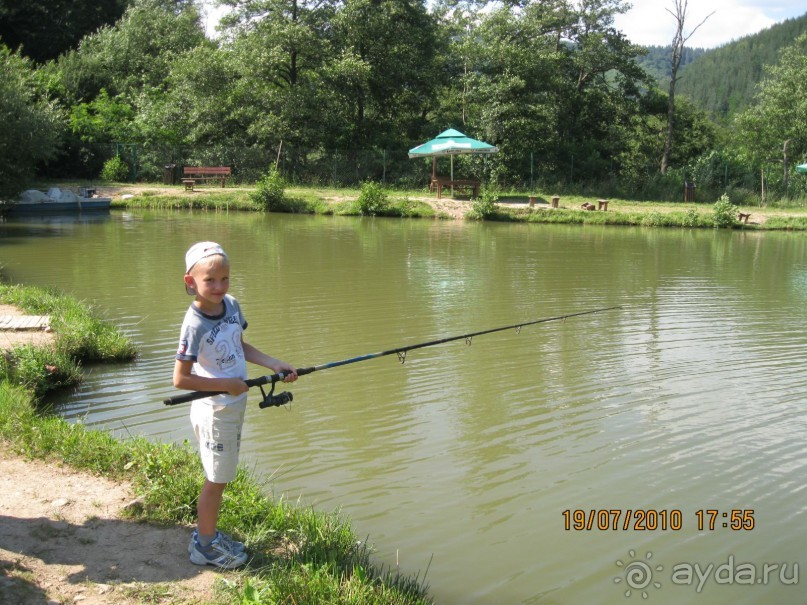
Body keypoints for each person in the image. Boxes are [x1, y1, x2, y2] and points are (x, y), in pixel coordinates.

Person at [173, 241, 297, 568]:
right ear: (191, 282)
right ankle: (204, 545)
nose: (219, 286)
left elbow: (240, 346)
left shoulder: (231, 305)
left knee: (222, 474)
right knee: (217, 478)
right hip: (214, 410)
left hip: (233, 405)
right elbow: (181, 379)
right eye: (210, 280)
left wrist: (274, 364)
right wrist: (225, 385)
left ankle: (207, 533)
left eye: (224, 279)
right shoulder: (194, 323)